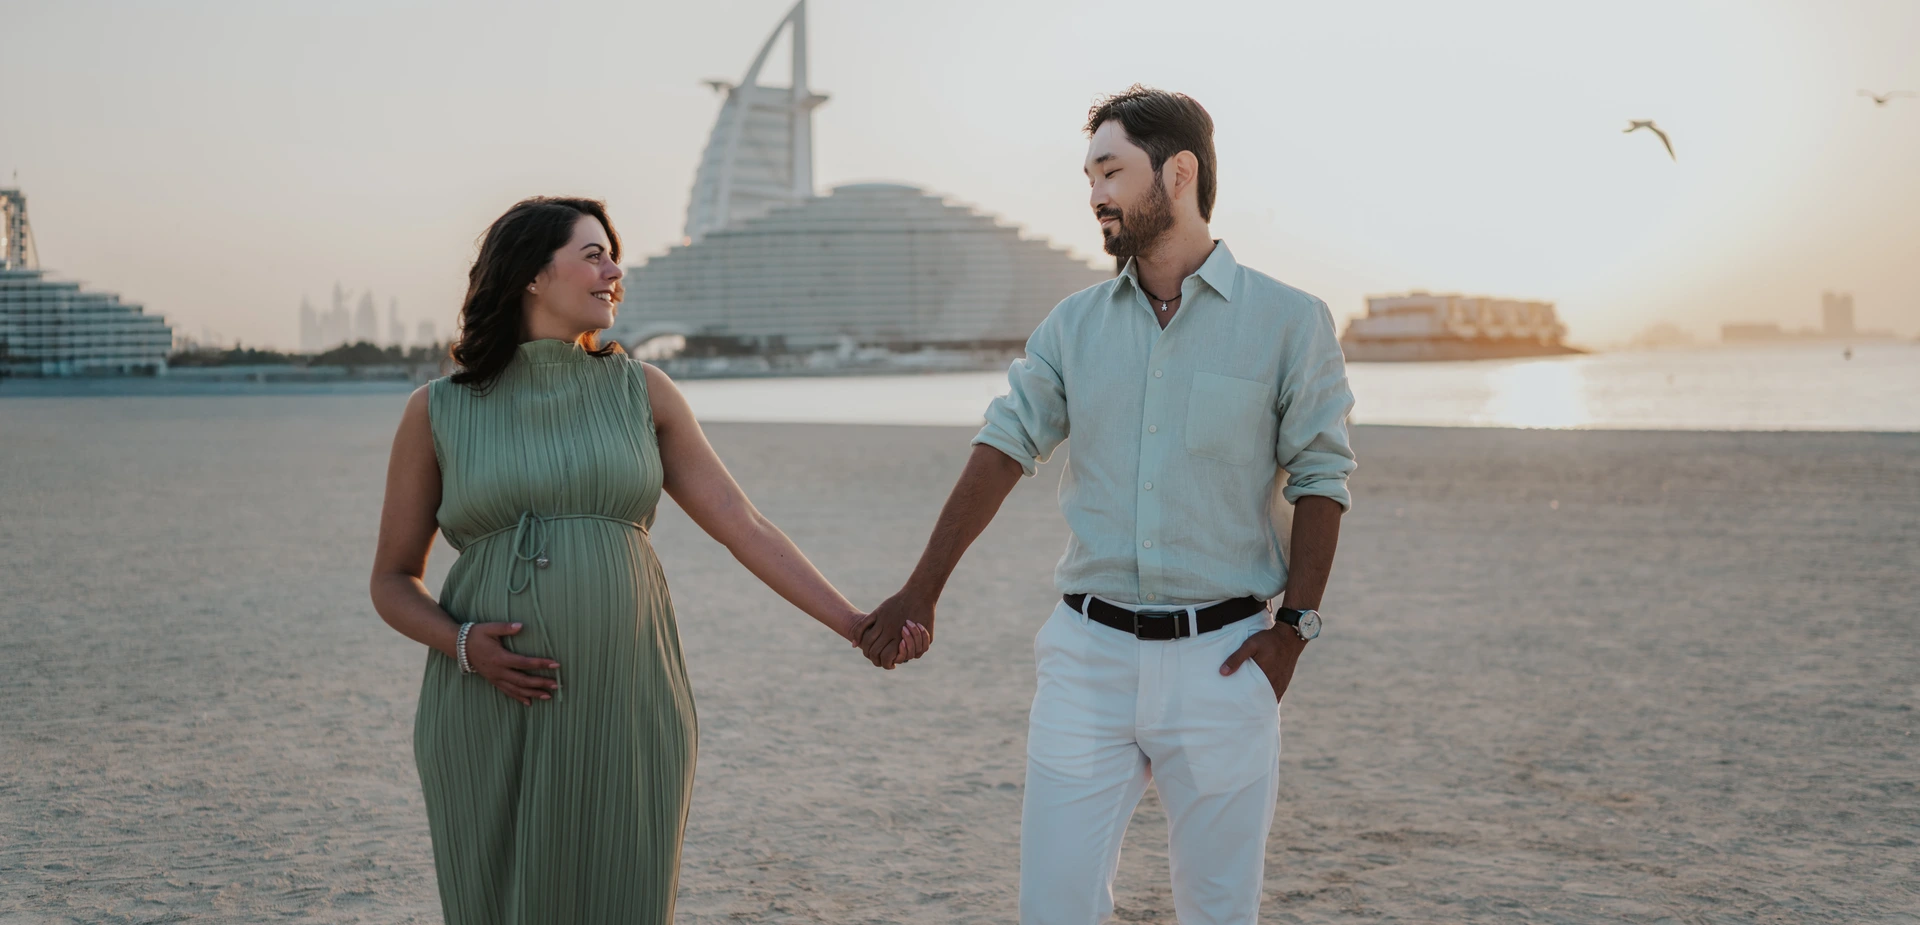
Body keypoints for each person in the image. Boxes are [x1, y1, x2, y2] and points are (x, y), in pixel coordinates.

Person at [859, 88, 1357, 925]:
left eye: (1111, 171)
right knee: (1053, 907)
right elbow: (1004, 445)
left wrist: (1294, 629)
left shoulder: (1289, 322)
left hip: (1228, 656)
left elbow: (1321, 477)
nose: (1095, 194)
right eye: (1090, 174)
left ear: (1180, 172)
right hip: (1086, 657)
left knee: (1219, 909)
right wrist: (922, 589)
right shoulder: (1074, 326)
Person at [371, 196, 926, 925]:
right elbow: (391, 579)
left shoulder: (643, 390)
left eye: (612, 254)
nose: (615, 271)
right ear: (532, 274)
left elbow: (742, 522)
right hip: (490, 698)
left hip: (628, 693)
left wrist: (853, 622)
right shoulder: (437, 409)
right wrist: (466, 645)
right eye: (593, 253)